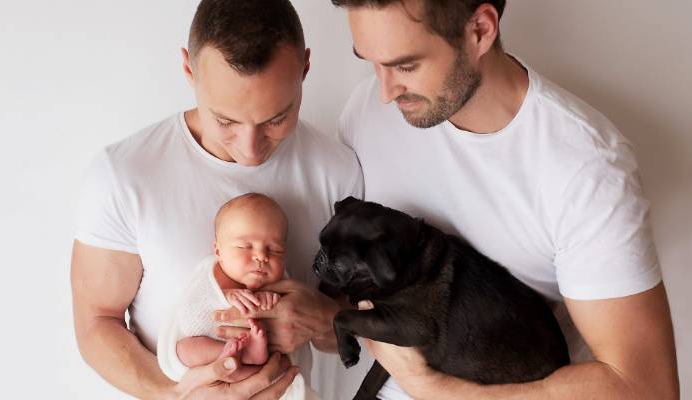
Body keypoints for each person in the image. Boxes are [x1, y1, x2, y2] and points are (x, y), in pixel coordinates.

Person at [329, 0, 679, 399]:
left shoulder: (586, 169)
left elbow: (644, 388)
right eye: (370, 62)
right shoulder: (366, 111)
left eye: (405, 66)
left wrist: (433, 388)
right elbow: (364, 298)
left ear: (480, 29)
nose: (385, 92)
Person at [71, 0, 367, 399]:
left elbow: (365, 331)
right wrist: (176, 395)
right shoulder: (124, 174)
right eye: (225, 121)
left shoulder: (341, 173)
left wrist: (325, 320)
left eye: (276, 119)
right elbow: (96, 323)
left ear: (305, 69)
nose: (250, 148)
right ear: (188, 70)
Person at [157, 193, 318, 400]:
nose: (261, 256)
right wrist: (225, 296)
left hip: (263, 366)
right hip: (213, 359)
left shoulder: (280, 283)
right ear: (218, 251)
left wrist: (270, 299)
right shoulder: (210, 276)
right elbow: (191, 316)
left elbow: (290, 318)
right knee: (184, 350)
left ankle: (253, 358)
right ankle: (240, 359)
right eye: (245, 247)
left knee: (279, 362)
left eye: (275, 250)